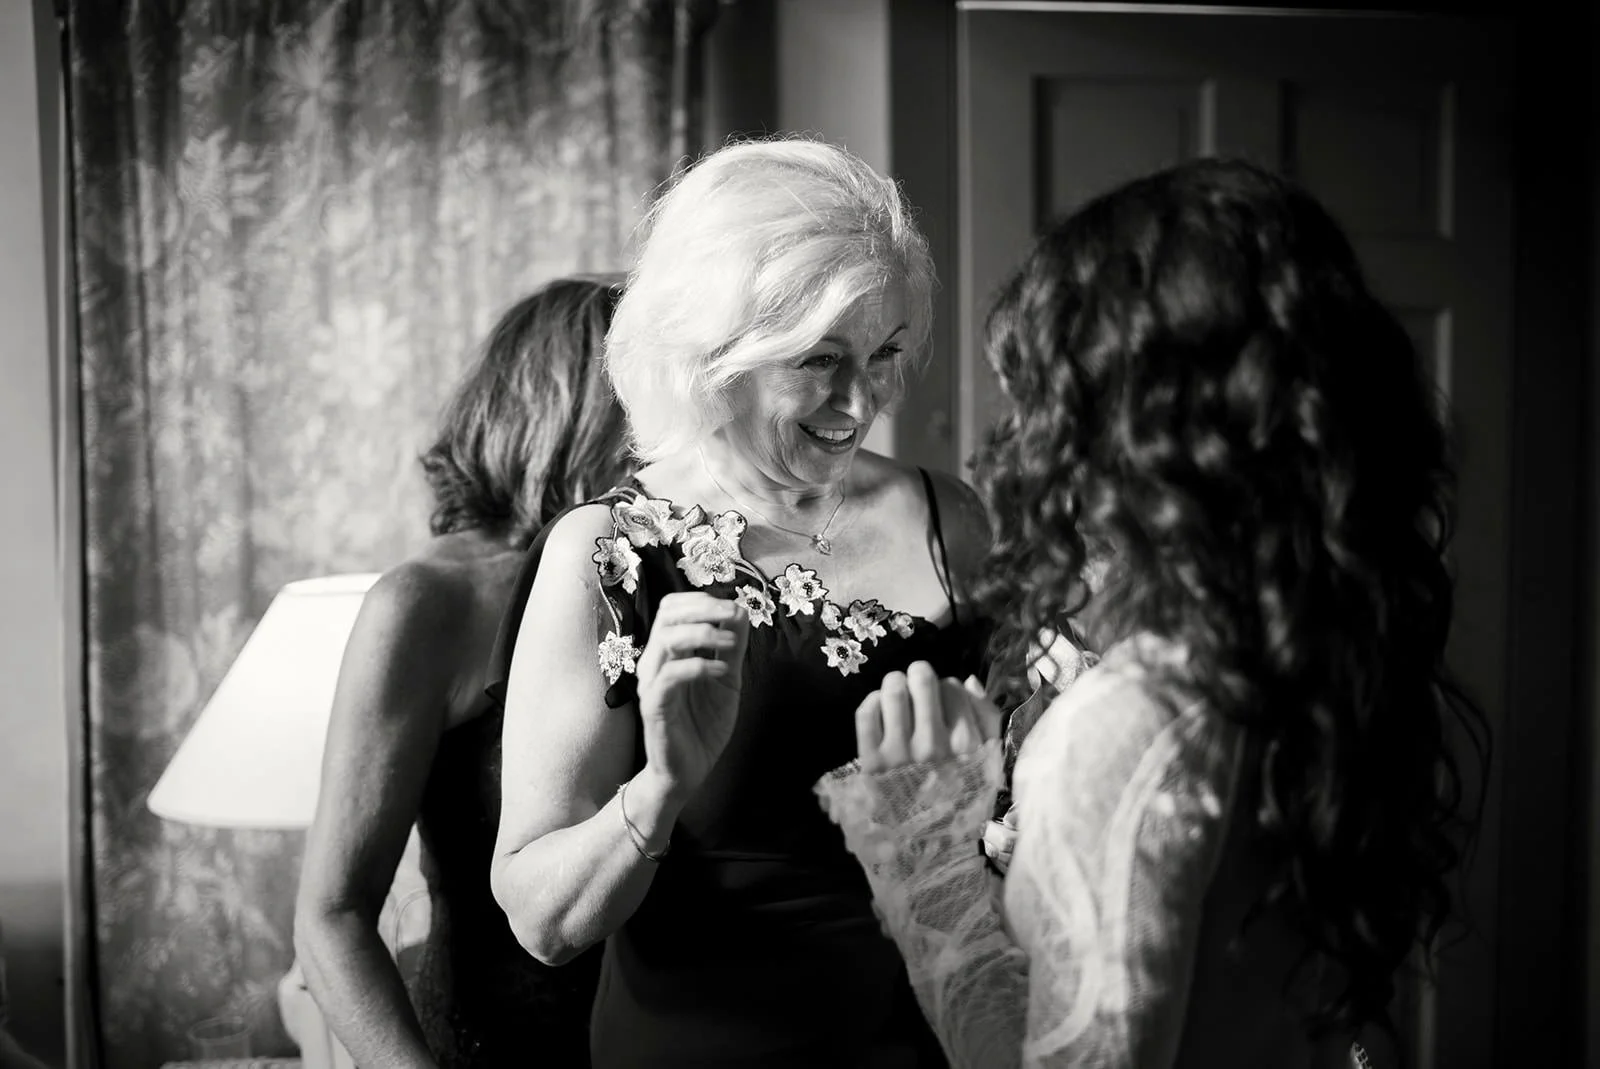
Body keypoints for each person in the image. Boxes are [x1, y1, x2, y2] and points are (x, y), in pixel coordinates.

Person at [816, 158, 1488, 1068]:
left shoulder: (1131, 723)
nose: (1019, 440)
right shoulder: (1303, 658)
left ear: (1133, 434)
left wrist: (928, 842)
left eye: (1039, 404)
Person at [487, 136, 993, 1068]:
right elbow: (541, 921)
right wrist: (662, 786)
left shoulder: (947, 521)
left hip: (931, 1042)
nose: (859, 400)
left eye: (883, 355)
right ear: (716, 352)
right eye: (819, 360)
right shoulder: (607, 554)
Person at [294, 275, 631, 1069]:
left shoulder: (665, 577)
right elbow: (332, 914)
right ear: (574, 410)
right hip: (493, 1047)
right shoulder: (424, 604)